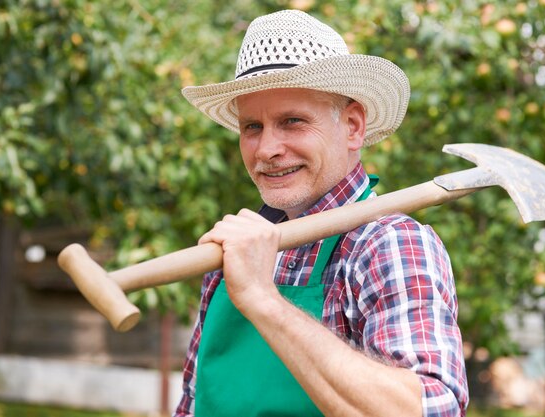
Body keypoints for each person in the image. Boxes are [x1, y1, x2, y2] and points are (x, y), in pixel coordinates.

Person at [175, 9, 468, 417]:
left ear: (352, 126)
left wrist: (264, 300)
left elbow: (430, 411)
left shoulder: (387, 244)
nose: (266, 149)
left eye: (292, 121)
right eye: (252, 127)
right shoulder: (235, 251)